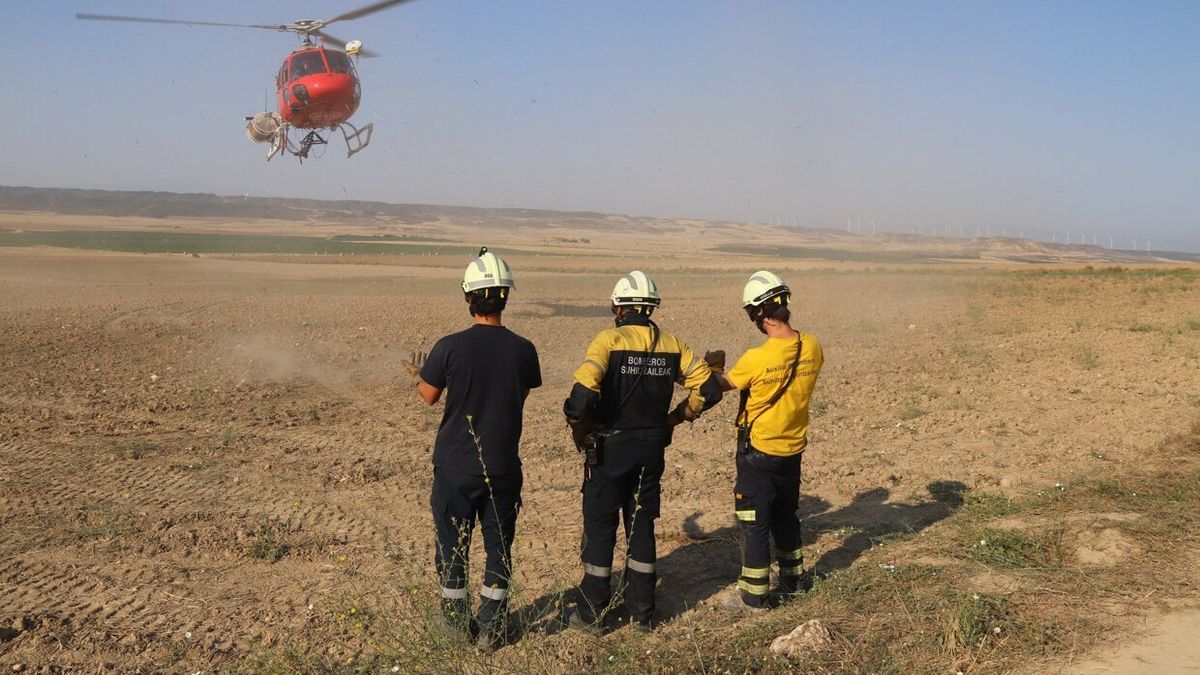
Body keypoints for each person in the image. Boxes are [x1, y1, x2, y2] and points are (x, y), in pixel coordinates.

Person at [562, 270, 724, 632]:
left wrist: (579, 422)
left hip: (609, 450)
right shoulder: (672, 344)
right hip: (652, 449)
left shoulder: (607, 340)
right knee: (641, 525)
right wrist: (678, 417)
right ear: (650, 308)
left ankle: (591, 613)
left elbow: (582, 399)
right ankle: (642, 612)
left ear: (619, 308)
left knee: (601, 527)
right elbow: (710, 390)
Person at [404, 247, 542, 651]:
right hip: (502, 467)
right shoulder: (524, 349)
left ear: (469, 298)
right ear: (505, 297)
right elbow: (516, 395)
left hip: (455, 468)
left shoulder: (449, 347)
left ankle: (454, 627)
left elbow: (428, 396)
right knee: (499, 548)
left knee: (452, 547)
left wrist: (420, 374)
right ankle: (492, 629)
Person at [709, 270, 823, 612]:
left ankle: (754, 597)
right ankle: (793, 582)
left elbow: (718, 386)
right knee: (786, 516)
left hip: (758, 452)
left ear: (759, 313)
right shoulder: (812, 345)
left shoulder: (757, 358)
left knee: (753, 523)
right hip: (793, 450)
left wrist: (713, 368)